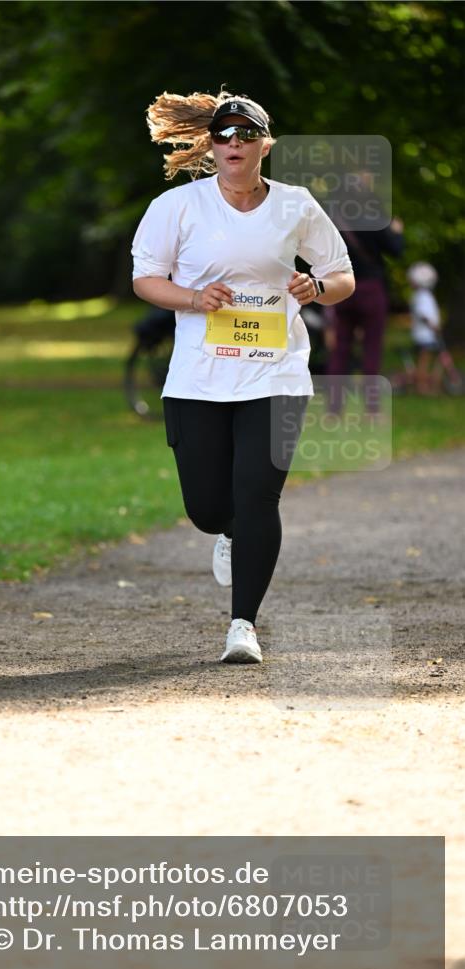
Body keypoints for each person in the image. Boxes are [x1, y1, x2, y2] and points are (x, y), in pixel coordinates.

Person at [131, 89, 355, 664]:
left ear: (264, 145)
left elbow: (341, 276)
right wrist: (193, 297)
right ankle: (229, 534)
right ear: (210, 144)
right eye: (224, 135)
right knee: (209, 507)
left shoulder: (296, 204)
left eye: (245, 134)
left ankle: (243, 625)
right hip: (199, 378)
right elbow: (147, 280)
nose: (234, 143)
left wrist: (316, 288)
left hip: (276, 375)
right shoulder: (177, 208)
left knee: (259, 496)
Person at [326, 215, 404, 414]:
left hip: (343, 289)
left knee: (340, 351)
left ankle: (334, 410)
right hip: (371, 289)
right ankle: (371, 410)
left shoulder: (334, 221)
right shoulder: (373, 220)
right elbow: (395, 250)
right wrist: (396, 231)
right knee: (372, 350)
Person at [406, 261, 444, 395]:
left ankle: (425, 383)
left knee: (425, 360)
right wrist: (433, 326)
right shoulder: (423, 296)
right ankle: (421, 386)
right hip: (425, 335)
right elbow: (424, 314)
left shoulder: (421, 295)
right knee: (424, 361)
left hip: (424, 335)